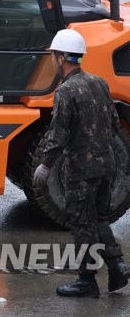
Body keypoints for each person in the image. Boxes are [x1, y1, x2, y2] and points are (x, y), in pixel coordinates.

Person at [34, 29, 130, 297]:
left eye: (53, 55)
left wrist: (45, 165)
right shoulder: (99, 82)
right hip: (107, 164)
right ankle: (117, 265)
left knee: (81, 224)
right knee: (99, 218)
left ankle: (87, 281)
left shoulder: (65, 91)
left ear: (61, 58)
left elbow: (59, 135)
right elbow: (113, 123)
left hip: (82, 170)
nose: (53, 60)